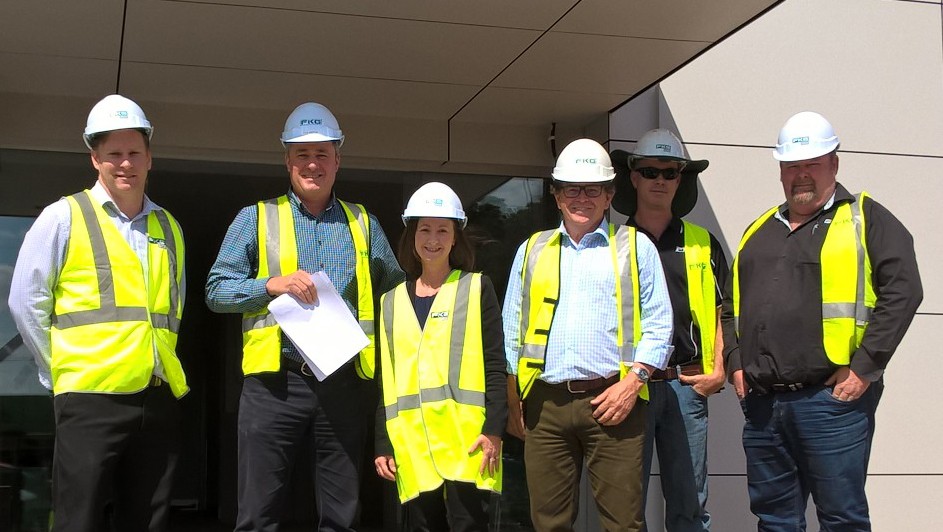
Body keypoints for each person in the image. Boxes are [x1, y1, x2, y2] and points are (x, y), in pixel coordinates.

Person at [205, 102, 404, 531]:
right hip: (275, 385)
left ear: (338, 160)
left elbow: (396, 297)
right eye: (301, 154)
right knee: (258, 514)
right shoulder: (255, 218)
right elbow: (216, 292)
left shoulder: (363, 223)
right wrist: (268, 286)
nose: (312, 164)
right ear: (287, 160)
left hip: (344, 384)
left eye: (322, 154)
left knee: (342, 515)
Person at [725, 111, 923, 531]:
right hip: (763, 405)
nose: (801, 176)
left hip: (830, 404)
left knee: (841, 519)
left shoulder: (865, 218)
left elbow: (904, 291)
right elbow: (730, 304)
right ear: (780, 171)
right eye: (792, 166)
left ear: (834, 162)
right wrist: (735, 360)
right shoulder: (760, 229)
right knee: (775, 520)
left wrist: (866, 366)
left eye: (811, 164)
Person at [8, 94, 188, 532]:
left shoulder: (169, 227)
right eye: (113, 155)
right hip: (88, 399)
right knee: (79, 519)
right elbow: (26, 301)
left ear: (149, 158)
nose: (124, 164)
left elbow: (172, 310)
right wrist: (60, 372)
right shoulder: (62, 217)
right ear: (95, 159)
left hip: (155, 394)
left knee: (148, 520)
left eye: (133, 153)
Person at [503, 138, 674, 531]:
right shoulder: (532, 249)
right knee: (548, 524)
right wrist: (513, 400)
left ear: (609, 194)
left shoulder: (635, 247)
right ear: (557, 196)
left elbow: (659, 325)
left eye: (592, 189)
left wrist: (633, 384)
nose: (581, 198)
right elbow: (512, 328)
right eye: (571, 189)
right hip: (545, 405)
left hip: (615, 400)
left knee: (622, 524)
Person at [611, 129, 727, 532]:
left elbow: (722, 311)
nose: (660, 179)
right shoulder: (609, 244)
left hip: (685, 385)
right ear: (634, 177)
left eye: (670, 172)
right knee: (626, 508)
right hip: (630, 388)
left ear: (681, 180)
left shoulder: (703, 243)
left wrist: (718, 370)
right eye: (650, 170)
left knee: (689, 507)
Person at [373, 182, 506, 531]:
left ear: (454, 238)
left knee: (469, 526)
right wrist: (382, 443)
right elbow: (386, 382)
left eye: (442, 230)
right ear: (411, 236)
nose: (433, 238)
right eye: (425, 229)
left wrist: (494, 430)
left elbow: (494, 365)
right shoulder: (390, 302)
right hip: (413, 445)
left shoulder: (476, 288)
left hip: (468, 443)